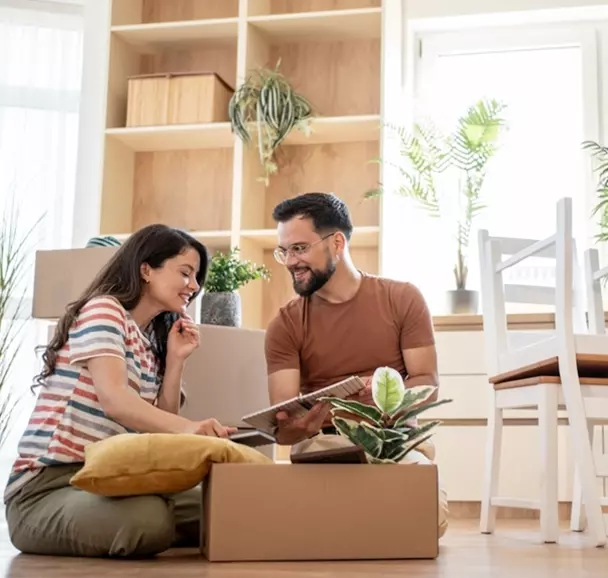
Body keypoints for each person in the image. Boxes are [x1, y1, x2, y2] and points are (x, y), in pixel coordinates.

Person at [4, 224, 237, 559]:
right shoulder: (104, 310)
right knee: (150, 521)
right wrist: (192, 429)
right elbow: (115, 400)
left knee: (225, 505)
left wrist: (175, 361)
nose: (194, 286)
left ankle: (140, 517)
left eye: (196, 277)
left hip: (116, 477)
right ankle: (143, 519)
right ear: (146, 270)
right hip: (48, 487)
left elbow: (160, 428)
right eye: (185, 273)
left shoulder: (150, 340)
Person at [263, 192, 448, 537]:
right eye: (283, 251)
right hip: (325, 448)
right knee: (322, 523)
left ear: (336, 243)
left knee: (428, 521)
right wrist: (301, 426)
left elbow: (427, 384)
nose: (289, 261)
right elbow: (284, 428)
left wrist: (378, 397)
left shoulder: (402, 298)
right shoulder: (284, 325)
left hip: (394, 442)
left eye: (299, 248)